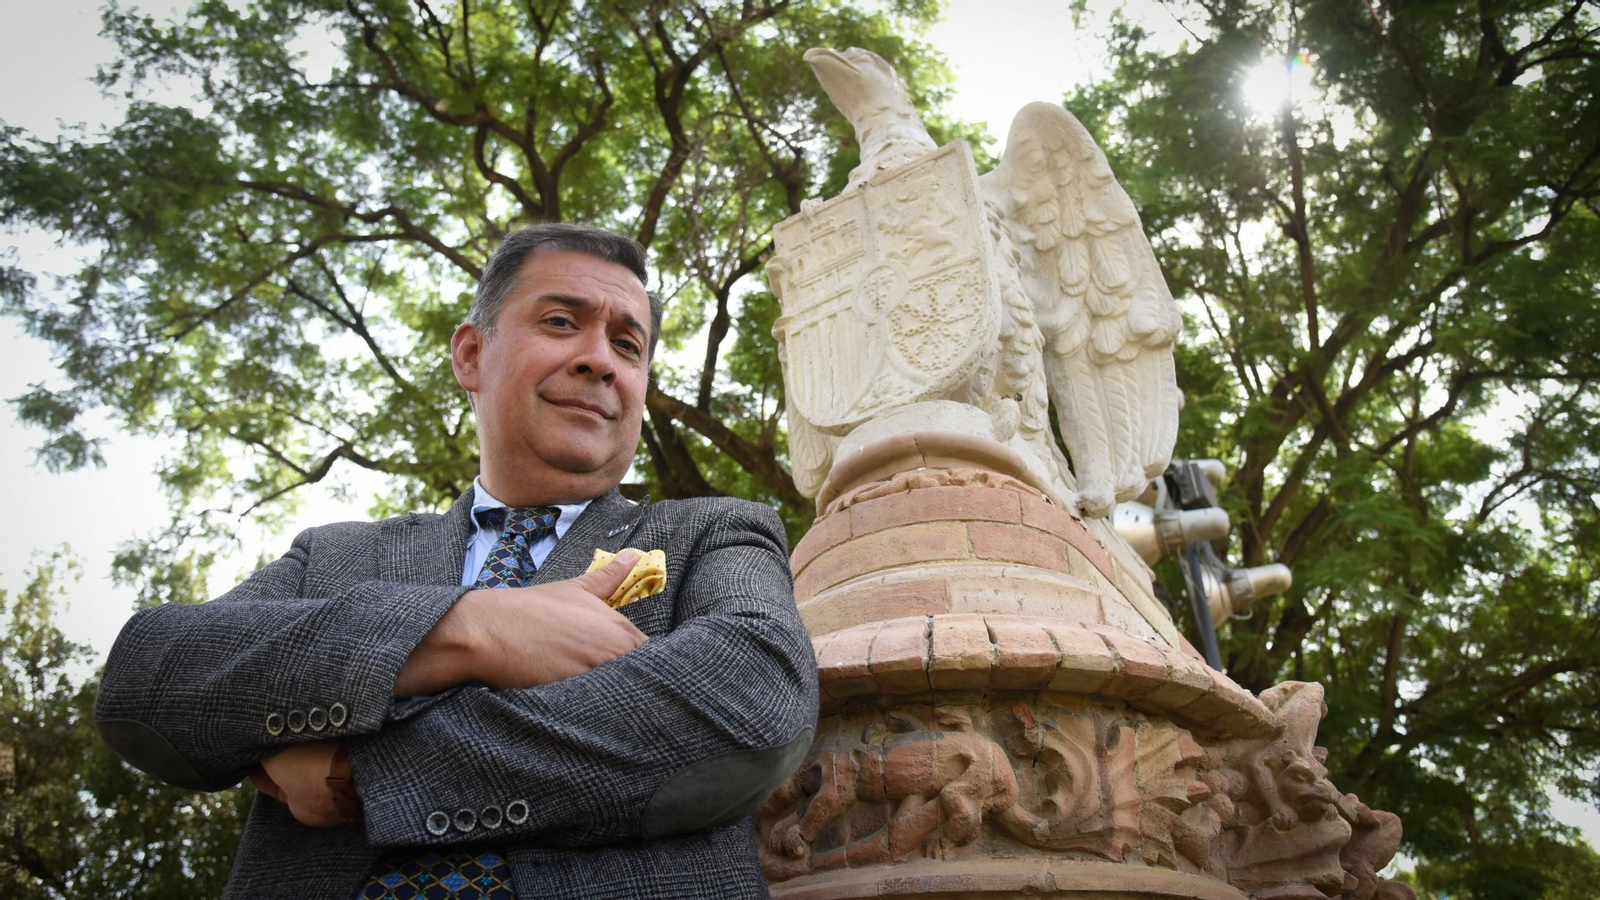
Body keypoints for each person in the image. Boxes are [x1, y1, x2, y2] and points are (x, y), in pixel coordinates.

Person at [94, 223, 819, 900]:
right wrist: (471, 628)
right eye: (562, 322)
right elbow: (150, 680)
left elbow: (753, 702)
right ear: (471, 355)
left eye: (628, 345)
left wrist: (364, 772)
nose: (601, 358)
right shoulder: (335, 554)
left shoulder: (714, 531)